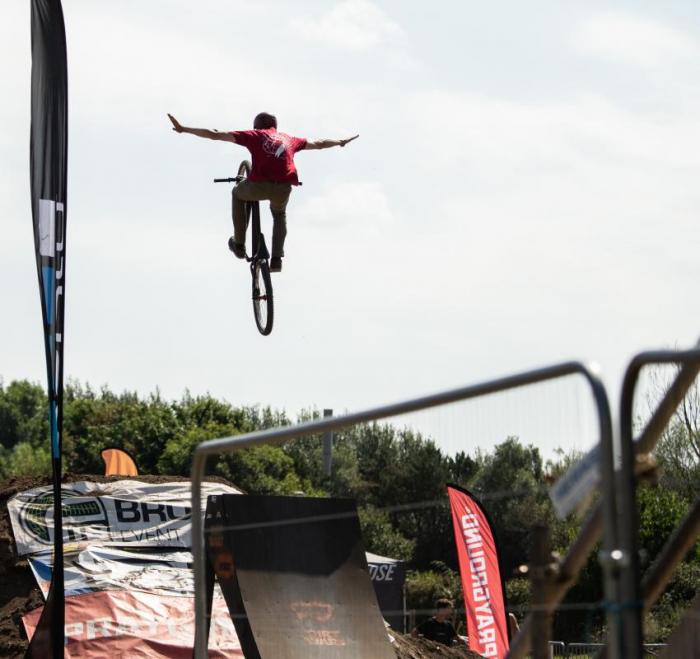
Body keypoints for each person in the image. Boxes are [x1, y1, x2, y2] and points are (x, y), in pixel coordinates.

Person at [168, 112, 358, 272]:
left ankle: (239, 244)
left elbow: (215, 134)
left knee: (237, 193)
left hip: (259, 185)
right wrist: (340, 142)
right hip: (284, 187)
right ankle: (276, 259)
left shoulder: (255, 135)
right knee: (279, 214)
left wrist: (184, 129)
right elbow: (320, 143)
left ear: (257, 126)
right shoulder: (290, 139)